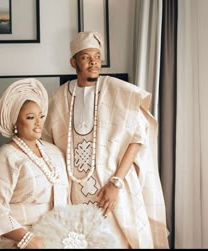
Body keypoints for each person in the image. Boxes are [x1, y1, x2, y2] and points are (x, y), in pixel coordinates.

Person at [42, 31, 169, 249]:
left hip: (113, 188)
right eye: (86, 57)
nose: (94, 62)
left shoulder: (118, 90)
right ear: (73, 62)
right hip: (74, 195)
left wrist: (116, 182)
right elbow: (46, 147)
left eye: (98, 57)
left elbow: (138, 137)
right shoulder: (56, 98)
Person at [0, 78, 69, 249]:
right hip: (18, 238)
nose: (39, 122)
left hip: (55, 233)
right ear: (15, 122)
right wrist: (28, 239)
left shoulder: (55, 153)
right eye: (30, 117)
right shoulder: (5, 157)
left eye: (41, 116)